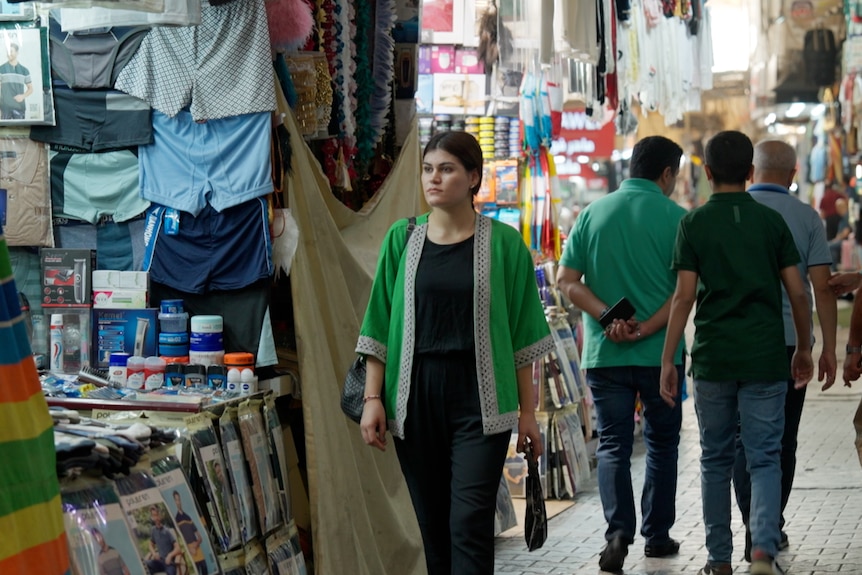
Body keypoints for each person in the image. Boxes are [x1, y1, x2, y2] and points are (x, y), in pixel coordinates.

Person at [355, 130, 554, 575]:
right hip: (413, 397)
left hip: (481, 399)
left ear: (473, 178)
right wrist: (372, 400)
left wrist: (528, 412)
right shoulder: (400, 240)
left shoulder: (504, 245)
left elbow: (524, 339)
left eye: (446, 169)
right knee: (433, 528)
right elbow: (378, 326)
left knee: (468, 521)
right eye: (428, 169)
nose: (434, 179)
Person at [660, 130, 814, 575]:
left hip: (713, 359)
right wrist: (804, 347)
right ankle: (763, 549)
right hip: (766, 357)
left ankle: (719, 558)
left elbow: (683, 298)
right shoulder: (772, 223)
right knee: (765, 455)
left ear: (706, 173)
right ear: (750, 173)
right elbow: (798, 293)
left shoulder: (693, 224)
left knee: (716, 458)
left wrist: (669, 359)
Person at [555, 135, 687, 573]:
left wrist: (608, 318)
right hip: (661, 355)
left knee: (612, 444)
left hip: (605, 353)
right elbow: (687, 292)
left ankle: (617, 533)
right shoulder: (678, 219)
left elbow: (567, 279)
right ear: (667, 174)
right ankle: (657, 535)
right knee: (663, 444)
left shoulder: (593, 214)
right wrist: (647, 327)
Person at [732, 139, 838, 562]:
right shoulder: (807, 217)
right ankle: (768, 526)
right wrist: (827, 346)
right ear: (794, 174)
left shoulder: (729, 213)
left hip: (736, 343)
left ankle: (751, 527)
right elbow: (823, 288)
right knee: (781, 440)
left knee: (742, 441)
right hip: (790, 344)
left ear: (751, 172)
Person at [173, 491, 207, 575]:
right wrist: (189, 549)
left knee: (204, 569)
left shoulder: (188, 517)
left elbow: (199, 537)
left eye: (179, 499)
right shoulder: (176, 520)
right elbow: (179, 541)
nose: (178, 502)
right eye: (176, 500)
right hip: (189, 552)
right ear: (174, 502)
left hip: (197, 549)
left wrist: (196, 544)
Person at [0, 41, 33, 120]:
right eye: (7, 51)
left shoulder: (24, 70)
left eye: (11, 51)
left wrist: (23, 96)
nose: (9, 53)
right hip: (5, 108)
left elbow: (31, 88)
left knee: (20, 130)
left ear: (17, 53)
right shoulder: (1, 69)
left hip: (19, 107)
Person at [146, 505, 183, 575]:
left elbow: (178, 548)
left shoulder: (167, 531)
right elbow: (150, 544)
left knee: (171, 573)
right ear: (152, 518)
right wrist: (154, 553)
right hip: (159, 562)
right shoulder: (153, 530)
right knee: (145, 565)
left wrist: (170, 555)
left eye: (157, 515)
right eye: (154, 516)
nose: (156, 518)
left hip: (169, 563)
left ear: (160, 515)